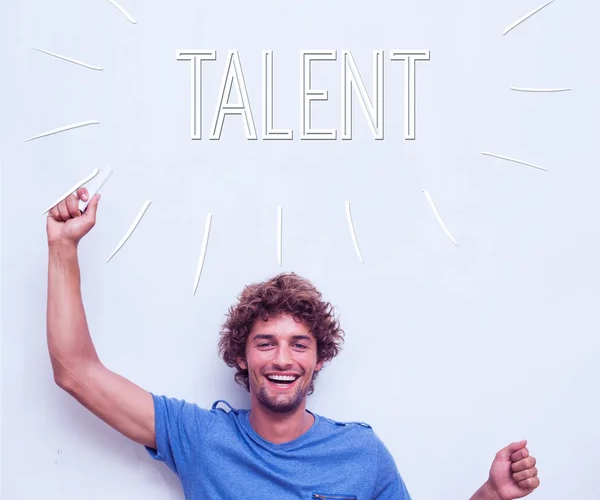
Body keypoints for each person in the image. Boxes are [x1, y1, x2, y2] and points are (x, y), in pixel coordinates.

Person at [46, 187, 541, 500]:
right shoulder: (200, 438)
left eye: (298, 345)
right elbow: (75, 370)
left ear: (319, 358)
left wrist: (491, 496)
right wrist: (63, 248)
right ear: (241, 355)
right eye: (265, 343)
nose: (282, 358)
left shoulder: (360, 453)